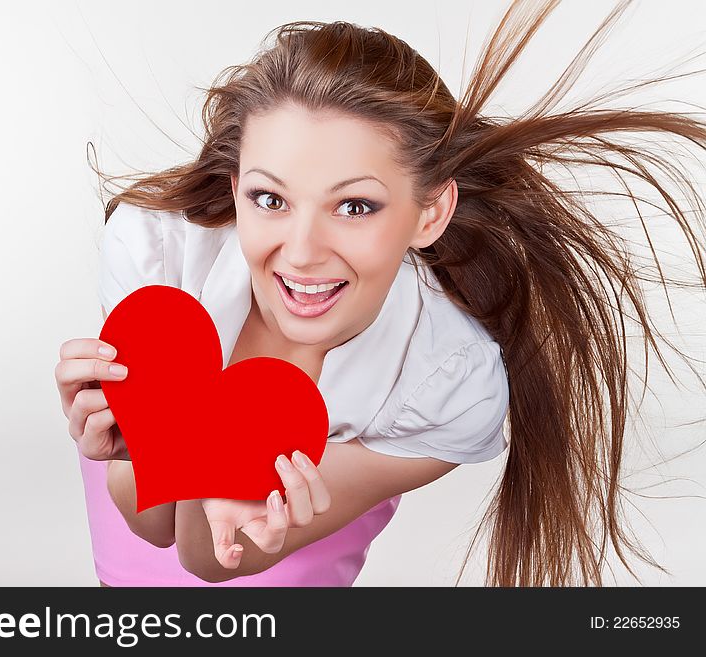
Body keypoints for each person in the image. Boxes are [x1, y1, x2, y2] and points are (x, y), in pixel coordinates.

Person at [55, 2, 706, 586]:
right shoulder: (157, 248)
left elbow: (209, 558)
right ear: (234, 187)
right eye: (269, 197)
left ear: (429, 212)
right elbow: (148, 521)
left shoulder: (447, 379)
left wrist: (214, 487)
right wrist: (136, 443)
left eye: (356, 205)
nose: (304, 248)